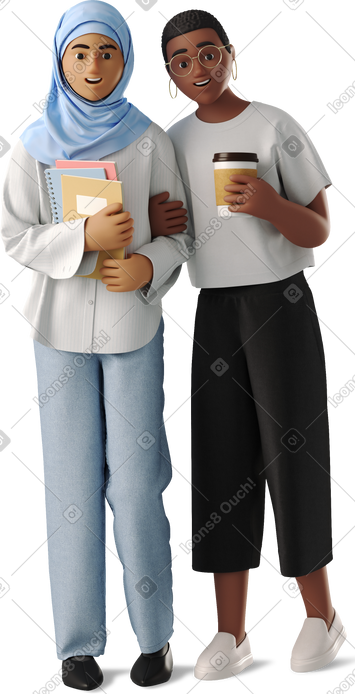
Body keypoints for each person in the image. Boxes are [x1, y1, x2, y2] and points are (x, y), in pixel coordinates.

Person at [0, 1, 192, 690]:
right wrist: (82, 240)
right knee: (72, 487)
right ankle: (77, 645)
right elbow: (15, 237)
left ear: (126, 61)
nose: (92, 66)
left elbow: (182, 231)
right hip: (57, 333)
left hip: (133, 324)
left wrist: (148, 265)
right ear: (57, 58)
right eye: (79, 53)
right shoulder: (33, 145)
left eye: (106, 53)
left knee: (138, 484)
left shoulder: (149, 139)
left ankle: (154, 637)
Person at [155, 7, 349, 681]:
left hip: (281, 301)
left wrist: (268, 205)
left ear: (232, 53)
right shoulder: (170, 141)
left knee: (292, 447)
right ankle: (231, 633)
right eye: (181, 61)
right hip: (211, 308)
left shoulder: (276, 124)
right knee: (221, 458)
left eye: (208, 52)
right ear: (171, 78)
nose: (197, 68)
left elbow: (320, 230)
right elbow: (172, 240)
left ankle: (320, 614)